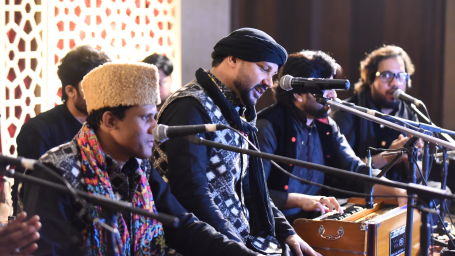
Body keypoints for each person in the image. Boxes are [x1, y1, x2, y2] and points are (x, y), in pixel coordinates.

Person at [22, 62, 259, 256]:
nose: (156, 128)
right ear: (109, 121)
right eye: (146, 118)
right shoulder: (55, 173)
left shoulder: (139, 166)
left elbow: (181, 225)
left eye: (155, 116)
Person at [154, 28, 320, 256]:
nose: (268, 82)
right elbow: (192, 195)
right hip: (205, 246)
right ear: (232, 59)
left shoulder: (240, 112)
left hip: (240, 242)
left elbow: (253, 189)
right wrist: (239, 250)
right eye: (264, 69)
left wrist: (287, 233)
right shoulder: (190, 106)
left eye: (273, 75)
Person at [257, 50, 407, 222]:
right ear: (298, 94)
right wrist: (301, 201)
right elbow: (252, 191)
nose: (333, 95)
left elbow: (356, 170)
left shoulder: (325, 125)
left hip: (314, 221)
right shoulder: (267, 126)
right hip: (275, 225)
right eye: (326, 88)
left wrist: (399, 191)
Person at [14, 45, 111, 215]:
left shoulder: (109, 125)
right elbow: (31, 194)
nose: (101, 94)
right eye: (92, 87)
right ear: (70, 90)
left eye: (104, 86)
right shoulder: (39, 130)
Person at [331, 45, 418, 182]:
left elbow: (419, 176)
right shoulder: (346, 112)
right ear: (370, 79)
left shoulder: (411, 113)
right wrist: (388, 157)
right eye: (386, 75)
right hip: (360, 195)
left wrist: (411, 160)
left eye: (401, 76)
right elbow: (341, 170)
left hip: (399, 193)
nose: (395, 82)